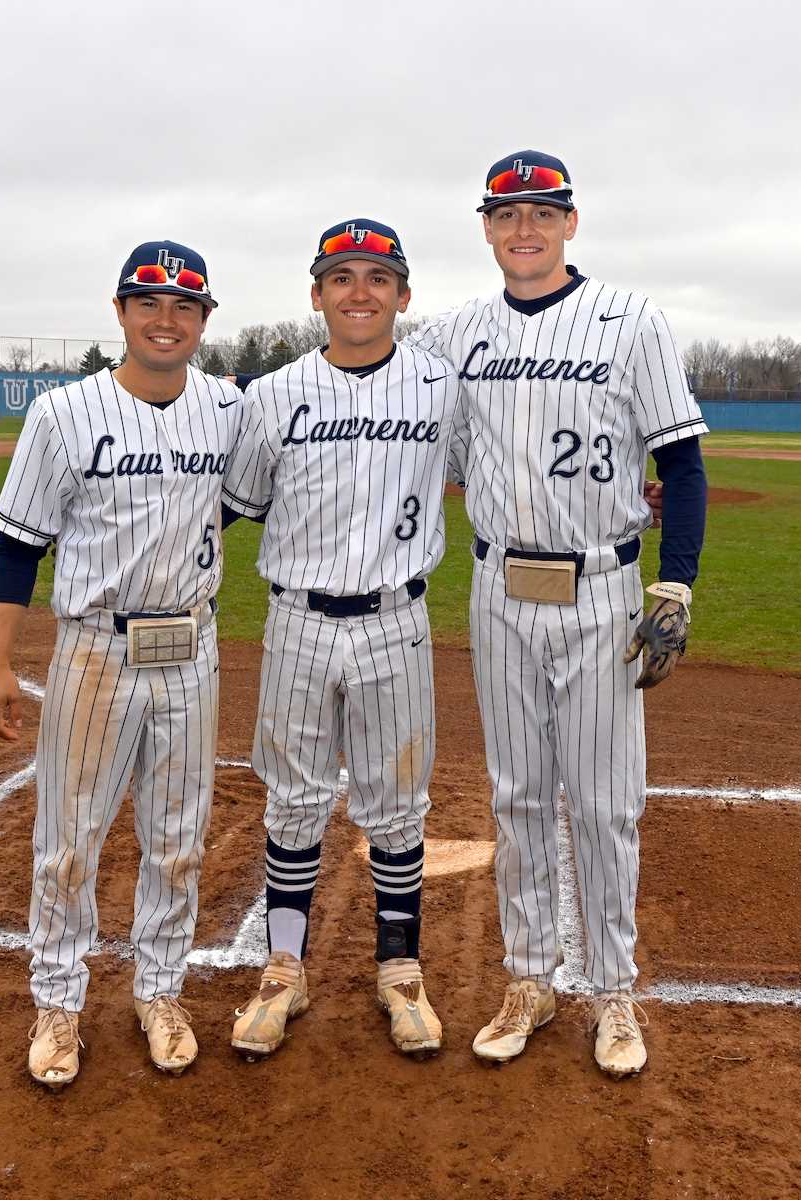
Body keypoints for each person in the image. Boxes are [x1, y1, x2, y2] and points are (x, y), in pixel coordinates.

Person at [405, 150, 708, 1077]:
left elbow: (683, 464)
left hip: (604, 590)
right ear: (487, 228)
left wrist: (677, 581)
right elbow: (377, 392)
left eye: (542, 211)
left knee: (606, 803)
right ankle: (531, 978)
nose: (524, 228)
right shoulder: (455, 335)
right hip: (500, 592)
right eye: (506, 213)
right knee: (521, 797)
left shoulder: (632, 322)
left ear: (570, 223)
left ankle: (614, 993)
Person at [0, 240, 245, 1089]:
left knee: (178, 840)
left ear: (204, 320)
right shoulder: (62, 415)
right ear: (122, 311)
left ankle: (160, 991)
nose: (165, 319)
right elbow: (16, 548)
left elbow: (236, 505)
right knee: (69, 841)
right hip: (95, 649)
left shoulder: (230, 409)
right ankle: (58, 1003)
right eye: (149, 302)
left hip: (192, 649)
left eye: (184, 306)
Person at [221, 219, 459, 1060]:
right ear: (316, 293)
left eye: (377, 276)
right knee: (294, 800)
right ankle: (285, 968)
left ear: (403, 294)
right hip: (297, 621)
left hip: (397, 618)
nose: (360, 291)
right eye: (342, 276)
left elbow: (498, 459)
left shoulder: (440, 386)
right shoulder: (274, 396)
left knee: (397, 803)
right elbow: (234, 503)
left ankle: (401, 971)